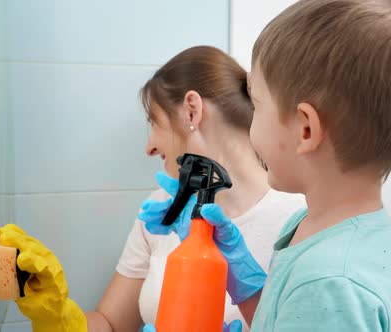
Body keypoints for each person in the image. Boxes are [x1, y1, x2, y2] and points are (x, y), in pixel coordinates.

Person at [140, 1, 391, 331]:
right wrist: (244, 283)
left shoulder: (331, 283)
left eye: (257, 105)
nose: (251, 122)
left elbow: (313, 302)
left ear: (305, 129)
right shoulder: (316, 226)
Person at [85, 45, 304, 331]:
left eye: (154, 122)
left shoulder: (297, 220)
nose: (149, 147)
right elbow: (110, 324)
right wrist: (54, 308)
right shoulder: (163, 211)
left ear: (192, 111)